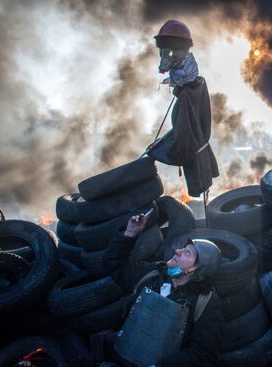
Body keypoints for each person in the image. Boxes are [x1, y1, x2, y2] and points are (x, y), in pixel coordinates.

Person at [102, 211, 223, 367]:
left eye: (187, 253)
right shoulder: (152, 274)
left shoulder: (205, 302)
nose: (178, 251)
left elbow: (204, 354)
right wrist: (130, 233)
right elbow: (112, 264)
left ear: (195, 270)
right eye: (183, 248)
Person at [148, 19, 219, 198]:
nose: (165, 57)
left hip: (197, 163)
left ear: (182, 51)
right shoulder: (196, 85)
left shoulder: (188, 95)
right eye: (162, 52)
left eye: (169, 52)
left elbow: (183, 145)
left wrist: (157, 153)